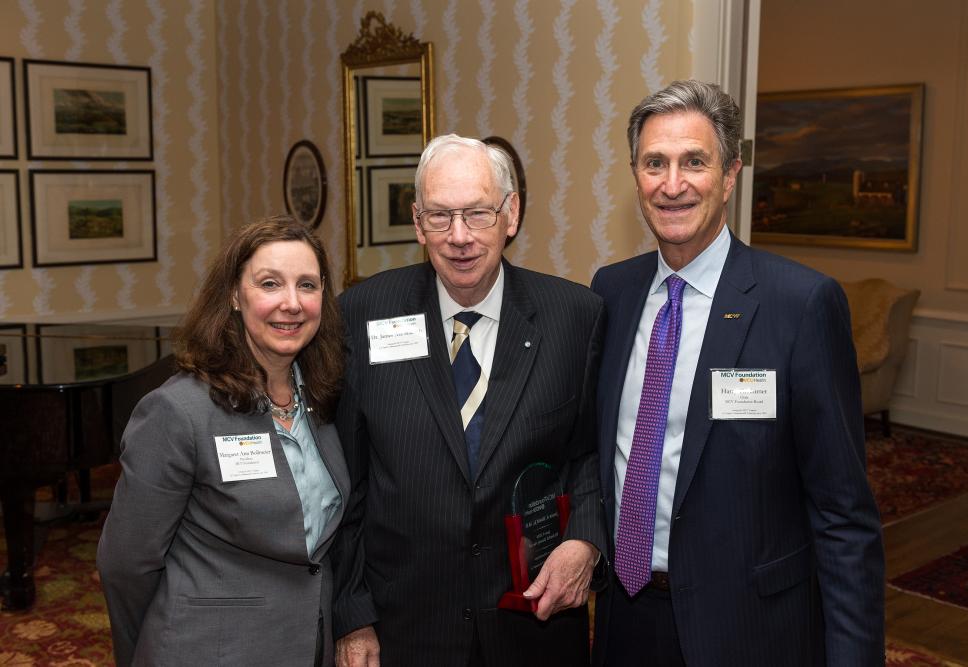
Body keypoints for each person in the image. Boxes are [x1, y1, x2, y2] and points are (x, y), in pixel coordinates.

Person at [590, 80, 885, 666]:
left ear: (729, 175)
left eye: (694, 162)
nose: (672, 185)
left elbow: (843, 515)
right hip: (624, 617)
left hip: (750, 628)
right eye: (655, 164)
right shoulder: (611, 292)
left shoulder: (800, 305)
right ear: (635, 175)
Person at [334, 134, 607, 667]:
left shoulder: (574, 317)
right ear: (417, 223)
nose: (459, 237)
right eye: (440, 216)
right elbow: (346, 482)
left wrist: (585, 542)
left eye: (478, 213)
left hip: (533, 625)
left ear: (511, 213)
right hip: (404, 626)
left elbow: (591, 455)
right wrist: (353, 615)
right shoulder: (363, 314)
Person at [97, 216, 352, 666]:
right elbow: (126, 565)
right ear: (235, 295)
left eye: (307, 285)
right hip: (207, 650)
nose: (291, 303)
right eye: (270, 283)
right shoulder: (178, 412)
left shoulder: (324, 397)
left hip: (309, 644)